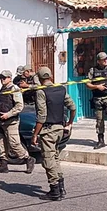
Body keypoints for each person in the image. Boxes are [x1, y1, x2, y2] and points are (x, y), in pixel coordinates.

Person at [31, 67, 76, 201]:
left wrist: (35, 134)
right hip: (59, 129)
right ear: (51, 76)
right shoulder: (61, 89)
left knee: (48, 159)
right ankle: (61, 186)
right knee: (55, 157)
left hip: (48, 130)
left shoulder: (41, 92)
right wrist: (70, 123)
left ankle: (54, 190)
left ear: (39, 78)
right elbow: (72, 107)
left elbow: (42, 116)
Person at [0, 70, 35, 174]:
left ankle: (28, 159)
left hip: (11, 121)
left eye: (4, 77)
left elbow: (19, 106)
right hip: (1, 121)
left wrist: (8, 114)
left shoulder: (14, 89)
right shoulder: (3, 89)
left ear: (10, 78)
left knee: (14, 144)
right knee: (1, 144)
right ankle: (3, 165)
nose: (2, 79)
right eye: (1, 77)